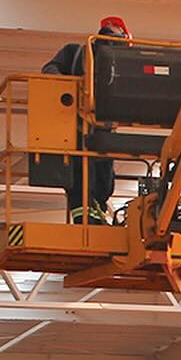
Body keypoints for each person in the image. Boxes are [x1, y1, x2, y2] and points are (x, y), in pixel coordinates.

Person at [35, 16, 133, 222]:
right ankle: (88, 213)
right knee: (89, 173)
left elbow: (50, 69)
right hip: (87, 127)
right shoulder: (81, 53)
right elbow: (50, 70)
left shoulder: (78, 53)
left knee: (94, 175)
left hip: (92, 127)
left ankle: (90, 212)